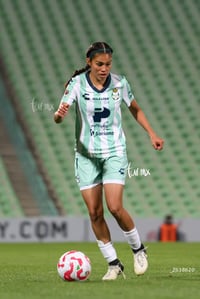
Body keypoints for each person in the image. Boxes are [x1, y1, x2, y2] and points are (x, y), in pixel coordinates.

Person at [54, 41, 164, 280]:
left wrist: (152, 133)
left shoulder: (119, 83)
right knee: (95, 212)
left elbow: (135, 109)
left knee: (114, 206)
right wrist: (59, 115)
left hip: (114, 151)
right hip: (85, 155)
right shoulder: (76, 84)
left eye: (108, 64)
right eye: (99, 64)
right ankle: (113, 264)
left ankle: (138, 249)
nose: (104, 68)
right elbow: (59, 115)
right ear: (89, 63)